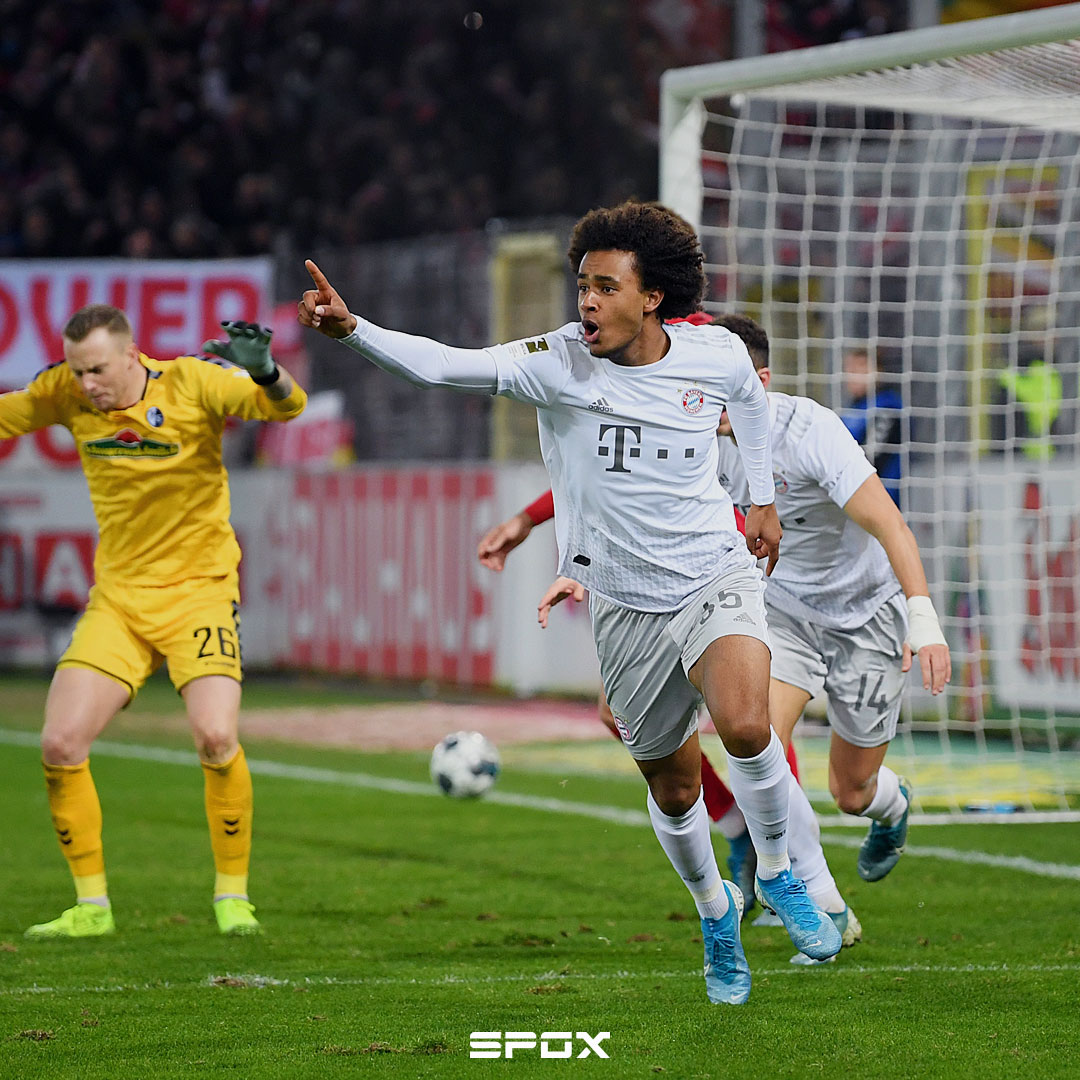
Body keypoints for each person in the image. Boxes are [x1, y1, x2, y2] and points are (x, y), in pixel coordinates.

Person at [299, 200, 843, 1005]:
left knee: (746, 724)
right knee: (674, 790)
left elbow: (754, 408)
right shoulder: (555, 363)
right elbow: (443, 366)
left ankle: (779, 871)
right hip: (625, 601)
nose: (586, 301)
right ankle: (714, 914)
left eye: (604, 287)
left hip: (713, 572)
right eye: (581, 285)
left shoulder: (716, 353)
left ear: (652, 296)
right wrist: (354, 331)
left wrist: (761, 499)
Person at [0, 305, 307, 939]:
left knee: (216, 737)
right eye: (78, 371)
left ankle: (232, 897)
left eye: (97, 370)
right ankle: (91, 907)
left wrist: (267, 372)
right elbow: (12, 412)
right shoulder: (65, 391)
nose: (86, 384)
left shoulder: (192, 382)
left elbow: (286, 407)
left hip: (200, 595)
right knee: (60, 744)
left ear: (130, 354)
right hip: (119, 602)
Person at [476, 476, 803, 918]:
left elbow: (641, 470)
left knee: (749, 719)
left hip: (723, 558)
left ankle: (797, 869)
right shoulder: (621, 442)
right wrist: (547, 535)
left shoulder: (732, 439)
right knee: (615, 714)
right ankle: (736, 828)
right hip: (649, 571)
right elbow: (599, 466)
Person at [709, 315, 950, 889]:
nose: (706, 400)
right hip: (784, 609)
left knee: (850, 791)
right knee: (753, 745)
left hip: (865, 612)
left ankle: (891, 806)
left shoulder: (811, 431)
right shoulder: (699, 442)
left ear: (760, 382)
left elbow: (891, 527)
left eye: (722, 385)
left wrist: (923, 620)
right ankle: (811, 892)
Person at [840, 345, 903, 507]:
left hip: (881, 500)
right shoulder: (853, 409)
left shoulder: (888, 406)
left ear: (878, 371)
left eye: (860, 368)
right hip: (850, 498)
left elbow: (872, 458)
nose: (852, 375)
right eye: (850, 369)